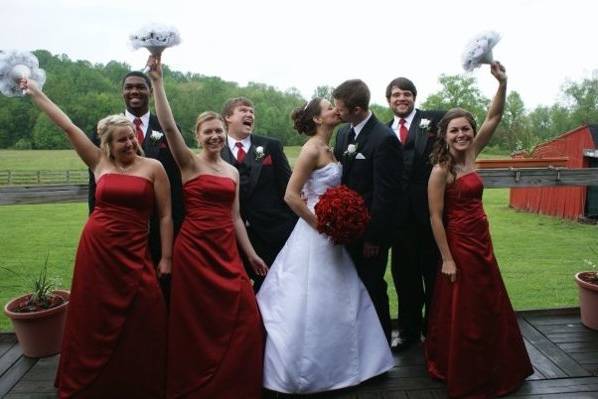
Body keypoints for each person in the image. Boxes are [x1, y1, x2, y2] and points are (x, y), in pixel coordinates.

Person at [21, 78, 170, 398]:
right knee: (93, 316)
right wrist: (36, 93)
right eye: (121, 140)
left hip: (135, 251)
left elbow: (166, 215)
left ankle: (137, 383)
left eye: (130, 137)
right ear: (108, 145)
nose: (129, 143)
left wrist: (166, 257)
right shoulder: (98, 162)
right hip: (97, 250)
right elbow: (68, 126)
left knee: (146, 311)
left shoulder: (154, 167)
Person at [147, 55, 266, 399]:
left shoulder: (231, 172)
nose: (214, 136)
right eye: (208, 132)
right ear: (198, 136)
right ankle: (198, 384)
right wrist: (158, 81)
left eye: (218, 131)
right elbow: (169, 127)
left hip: (226, 252)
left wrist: (252, 255)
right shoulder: (188, 163)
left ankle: (235, 385)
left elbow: (234, 217)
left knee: (244, 316)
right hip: (194, 252)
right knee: (196, 323)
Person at [257, 98, 395, 394]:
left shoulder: (332, 146)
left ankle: (356, 364)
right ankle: (309, 369)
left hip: (335, 231)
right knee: (313, 297)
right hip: (316, 231)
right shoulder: (310, 149)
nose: (336, 109)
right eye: (329, 107)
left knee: (343, 293)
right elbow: (291, 196)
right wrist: (319, 224)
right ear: (318, 119)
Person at [425, 61, 533, 398]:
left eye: (466, 129)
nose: (462, 135)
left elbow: (494, 117)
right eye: (454, 130)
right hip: (459, 246)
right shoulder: (440, 170)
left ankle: (495, 363)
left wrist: (502, 83)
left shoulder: (473, 153)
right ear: (444, 134)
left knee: (489, 301)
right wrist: (447, 259)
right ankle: (462, 367)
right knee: (466, 307)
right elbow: (434, 216)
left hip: (482, 241)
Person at [88, 70, 184, 303]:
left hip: (162, 229)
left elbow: (177, 176)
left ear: (150, 91)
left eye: (140, 86)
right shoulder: (103, 131)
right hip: (120, 231)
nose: (134, 91)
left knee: (161, 292)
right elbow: (96, 187)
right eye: (129, 87)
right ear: (122, 92)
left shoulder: (168, 127)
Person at [332, 79, 403, 342]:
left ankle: (380, 345)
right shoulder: (342, 133)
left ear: (358, 109)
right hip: (343, 232)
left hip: (370, 234)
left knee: (372, 287)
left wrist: (374, 237)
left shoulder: (384, 139)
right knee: (348, 288)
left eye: (340, 109)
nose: (337, 112)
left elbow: (386, 195)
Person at [385, 77, 445, 351]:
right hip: (397, 222)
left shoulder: (435, 120)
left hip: (430, 215)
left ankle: (435, 331)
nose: (401, 98)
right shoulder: (383, 131)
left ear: (414, 98)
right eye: (396, 95)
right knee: (404, 277)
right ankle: (408, 331)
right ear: (389, 101)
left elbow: (463, 131)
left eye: (407, 94)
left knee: (434, 276)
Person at [220, 96, 298, 291]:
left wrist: (289, 225)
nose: (250, 114)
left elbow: (288, 186)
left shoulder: (270, 146)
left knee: (273, 288)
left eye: (252, 112)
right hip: (231, 237)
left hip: (272, 233)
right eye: (243, 110)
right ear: (228, 117)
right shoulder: (216, 150)